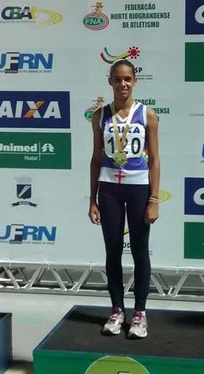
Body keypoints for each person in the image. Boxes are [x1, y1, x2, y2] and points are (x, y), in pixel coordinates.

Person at [88, 59, 160, 339]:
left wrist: (154, 198)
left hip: (139, 188)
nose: (123, 84)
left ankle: (140, 312)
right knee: (113, 250)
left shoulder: (147, 115)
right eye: (117, 79)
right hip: (108, 190)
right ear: (110, 81)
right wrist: (92, 199)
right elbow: (96, 158)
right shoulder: (100, 115)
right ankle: (117, 310)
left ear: (135, 81)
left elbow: (154, 159)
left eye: (128, 79)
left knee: (141, 251)